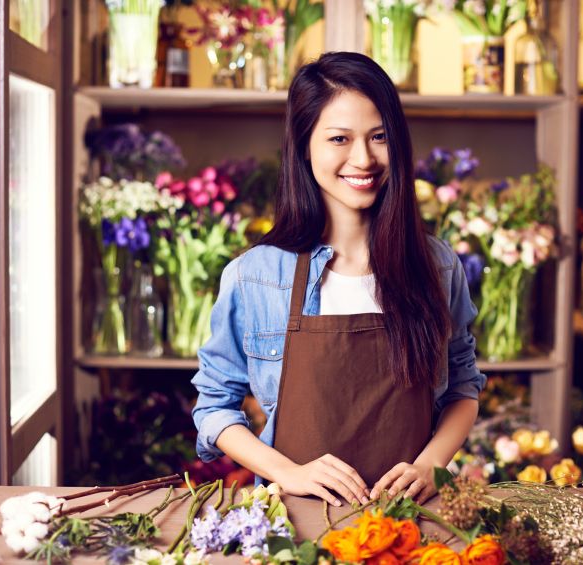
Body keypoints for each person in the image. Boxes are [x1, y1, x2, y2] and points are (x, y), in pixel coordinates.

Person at [191, 51, 485, 507]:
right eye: (339, 139)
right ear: (304, 144)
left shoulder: (437, 265)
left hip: (413, 520)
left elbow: (464, 387)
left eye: (379, 137)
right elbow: (213, 408)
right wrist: (287, 472)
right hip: (294, 524)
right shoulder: (256, 276)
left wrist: (432, 463)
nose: (363, 158)